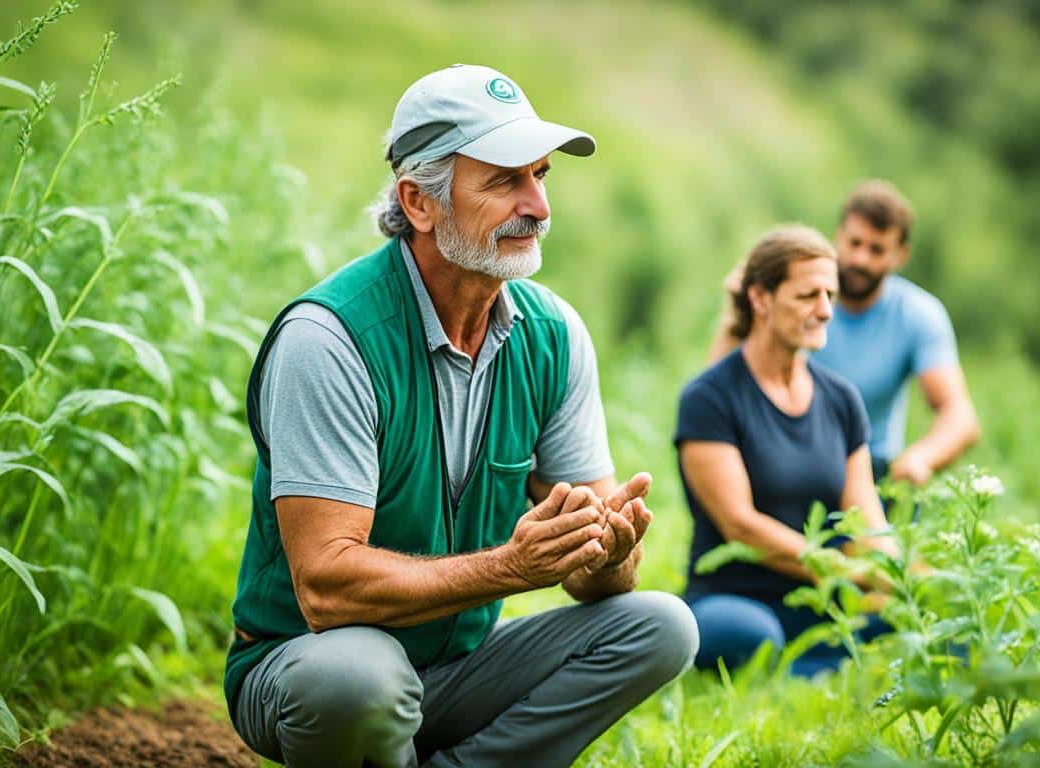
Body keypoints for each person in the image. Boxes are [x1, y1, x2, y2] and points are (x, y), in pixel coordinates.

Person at [224, 64, 698, 768]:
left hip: (457, 667)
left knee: (661, 626)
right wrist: (511, 567)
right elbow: (325, 588)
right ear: (419, 202)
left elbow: (592, 584)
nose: (537, 205)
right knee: (359, 677)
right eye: (505, 180)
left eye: (541, 176)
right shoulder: (330, 340)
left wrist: (605, 554)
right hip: (308, 667)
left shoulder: (554, 335)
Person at [678, 226, 897, 674]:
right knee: (753, 636)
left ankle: (816, 666)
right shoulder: (709, 398)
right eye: (807, 296)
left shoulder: (841, 399)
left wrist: (897, 572)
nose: (824, 310)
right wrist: (841, 570)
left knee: (926, 619)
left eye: (830, 296)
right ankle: (818, 665)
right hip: (734, 600)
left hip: (821, 598)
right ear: (760, 299)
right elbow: (740, 525)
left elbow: (866, 515)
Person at [709, 181, 979, 485]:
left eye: (877, 250)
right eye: (854, 243)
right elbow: (718, 389)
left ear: (900, 255)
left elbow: (959, 415)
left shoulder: (918, 315)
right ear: (838, 237)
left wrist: (921, 457)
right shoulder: (795, 297)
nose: (860, 259)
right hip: (782, 457)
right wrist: (737, 316)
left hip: (871, 466)